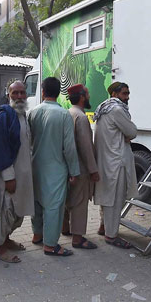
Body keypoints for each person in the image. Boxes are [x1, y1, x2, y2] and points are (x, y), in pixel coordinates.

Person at [28, 77, 80, 257]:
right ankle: (50, 245)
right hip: (56, 168)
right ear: (59, 93)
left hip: (35, 165)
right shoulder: (63, 114)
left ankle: (37, 235)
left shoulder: (33, 112)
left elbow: (28, 141)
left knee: (37, 203)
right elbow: (69, 147)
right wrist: (74, 171)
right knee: (53, 207)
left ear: (42, 91)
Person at [0, 81, 34, 263]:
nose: (19, 96)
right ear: (8, 95)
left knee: (18, 212)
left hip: (24, 174)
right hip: (10, 175)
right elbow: (0, 148)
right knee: (6, 211)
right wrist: (8, 177)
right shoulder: (5, 115)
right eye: (15, 93)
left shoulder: (22, 115)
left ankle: (6, 239)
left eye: (22, 93)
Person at [93, 82, 138, 249]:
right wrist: (127, 135)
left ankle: (104, 226)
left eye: (128, 93)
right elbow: (132, 131)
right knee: (115, 200)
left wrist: (125, 134)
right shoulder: (117, 110)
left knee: (108, 197)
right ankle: (111, 236)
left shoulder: (103, 108)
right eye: (124, 94)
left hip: (106, 160)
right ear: (114, 93)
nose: (127, 97)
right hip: (116, 162)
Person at [63, 84, 99, 249]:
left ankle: (65, 229)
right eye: (88, 93)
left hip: (68, 167)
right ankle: (77, 238)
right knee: (79, 203)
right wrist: (93, 170)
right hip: (80, 168)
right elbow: (86, 147)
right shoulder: (82, 117)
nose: (90, 96)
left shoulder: (68, 113)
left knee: (68, 201)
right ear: (83, 97)